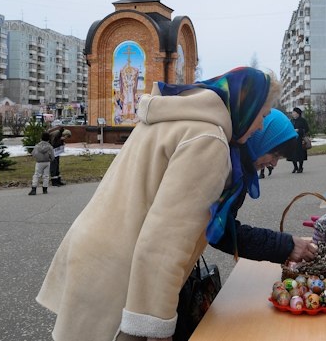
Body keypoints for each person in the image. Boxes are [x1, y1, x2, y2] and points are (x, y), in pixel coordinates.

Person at [37, 67, 279, 341]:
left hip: (95, 256)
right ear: (248, 104)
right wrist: (156, 323)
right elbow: (166, 242)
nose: (261, 126)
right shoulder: (209, 140)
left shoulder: (172, 118)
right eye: (263, 115)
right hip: (126, 278)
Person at [210, 109, 315, 263]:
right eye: (275, 155)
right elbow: (220, 232)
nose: (274, 163)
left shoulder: (238, 168)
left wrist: (284, 245)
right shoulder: (222, 168)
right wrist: (285, 245)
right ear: (260, 139)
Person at [287, 107, 309, 173]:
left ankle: (300, 167)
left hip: (300, 140)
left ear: (298, 113)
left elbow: (306, 129)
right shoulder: (291, 121)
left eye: (294, 112)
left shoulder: (302, 120)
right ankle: (295, 167)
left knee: (300, 154)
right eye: (293, 112)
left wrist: (299, 130)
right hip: (292, 140)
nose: (293, 114)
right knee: (292, 154)